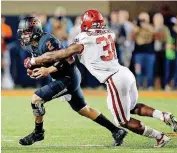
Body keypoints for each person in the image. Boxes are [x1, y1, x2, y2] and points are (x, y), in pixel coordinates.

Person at [29, 10, 177, 148]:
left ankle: (159, 137)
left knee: (122, 121)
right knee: (131, 107)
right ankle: (163, 115)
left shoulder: (84, 38)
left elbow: (61, 54)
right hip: (124, 72)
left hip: (114, 79)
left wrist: (35, 61)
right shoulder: (109, 33)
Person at [17, 16, 127, 146]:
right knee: (84, 110)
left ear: (35, 31)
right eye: (23, 33)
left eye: (26, 32)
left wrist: (48, 70)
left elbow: (66, 58)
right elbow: (45, 61)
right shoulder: (34, 45)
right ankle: (116, 131)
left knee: (36, 99)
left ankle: (38, 133)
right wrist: (34, 70)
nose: (24, 36)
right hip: (65, 77)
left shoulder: (48, 40)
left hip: (68, 77)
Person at [132, 12, 155, 89]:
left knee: (150, 71)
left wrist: (146, 26)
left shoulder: (151, 26)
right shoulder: (136, 27)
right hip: (138, 53)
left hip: (150, 53)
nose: (143, 20)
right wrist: (138, 27)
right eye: (142, 18)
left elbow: (155, 33)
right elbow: (131, 37)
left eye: (145, 18)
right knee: (138, 71)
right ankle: (139, 86)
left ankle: (150, 86)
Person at [153, 13, 172, 89]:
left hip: (162, 51)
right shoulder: (152, 27)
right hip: (154, 51)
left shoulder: (165, 28)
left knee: (164, 68)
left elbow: (168, 39)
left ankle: (165, 85)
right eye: (155, 19)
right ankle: (156, 85)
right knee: (156, 69)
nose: (156, 20)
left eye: (157, 19)